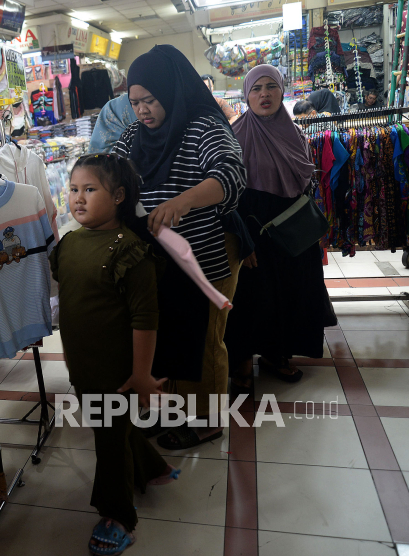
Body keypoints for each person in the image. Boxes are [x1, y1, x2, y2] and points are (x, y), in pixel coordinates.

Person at [112, 45, 246, 451]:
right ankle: (173, 409)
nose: (142, 111)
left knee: (204, 337)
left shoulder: (203, 126)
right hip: (159, 258)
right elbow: (112, 172)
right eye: (134, 103)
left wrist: (181, 201)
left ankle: (207, 419)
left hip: (208, 250)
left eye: (149, 100)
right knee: (170, 333)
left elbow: (231, 175)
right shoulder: (135, 135)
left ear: (169, 92)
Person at [50, 153, 177, 556]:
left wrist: (141, 375)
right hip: (85, 365)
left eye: (90, 189)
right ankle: (152, 468)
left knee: (108, 439)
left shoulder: (130, 251)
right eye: (73, 190)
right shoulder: (69, 244)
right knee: (111, 430)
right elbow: (73, 306)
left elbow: (146, 318)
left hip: (119, 370)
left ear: (119, 196)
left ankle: (118, 514)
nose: (78, 199)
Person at [225, 64, 337, 389]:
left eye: (270, 87)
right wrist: (242, 240)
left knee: (289, 292)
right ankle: (242, 365)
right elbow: (229, 195)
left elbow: (304, 181)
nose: (264, 95)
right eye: (256, 88)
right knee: (251, 296)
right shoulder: (235, 136)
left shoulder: (295, 132)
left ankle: (278, 355)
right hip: (253, 230)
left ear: (281, 90)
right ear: (246, 94)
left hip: (291, 231)